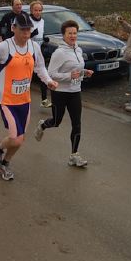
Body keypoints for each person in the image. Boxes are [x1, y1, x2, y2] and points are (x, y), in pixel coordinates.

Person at [0, 12, 58, 181]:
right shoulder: (4, 47)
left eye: (28, 30)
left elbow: (40, 67)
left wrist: (48, 81)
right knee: (15, 139)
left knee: (20, 139)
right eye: (22, 30)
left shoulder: (34, 47)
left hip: (24, 99)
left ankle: (4, 160)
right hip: (6, 99)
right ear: (13, 28)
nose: (26, 33)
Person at [33, 20, 94, 167]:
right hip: (60, 92)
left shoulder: (78, 50)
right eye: (69, 33)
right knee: (56, 122)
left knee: (77, 124)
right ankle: (43, 125)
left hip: (75, 91)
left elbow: (76, 70)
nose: (73, 36)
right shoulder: (59, 53)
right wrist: (69, 76)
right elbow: (50, 74)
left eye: (75, 33)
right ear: (64, 35)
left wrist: (84, 72)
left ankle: (74, 155)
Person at [28, 0, 51, 108]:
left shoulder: (42, 21)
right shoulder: (27, 21)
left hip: (38, 51)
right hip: (27, 51)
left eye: (40, 10)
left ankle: (44, 100)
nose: (38, 12)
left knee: (42, 72)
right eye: (35, 10)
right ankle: (21, 97)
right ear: (31, 11)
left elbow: (41, 33)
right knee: (27, 75)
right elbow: (21, 36)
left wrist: (44, 38)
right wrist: (32, 34)